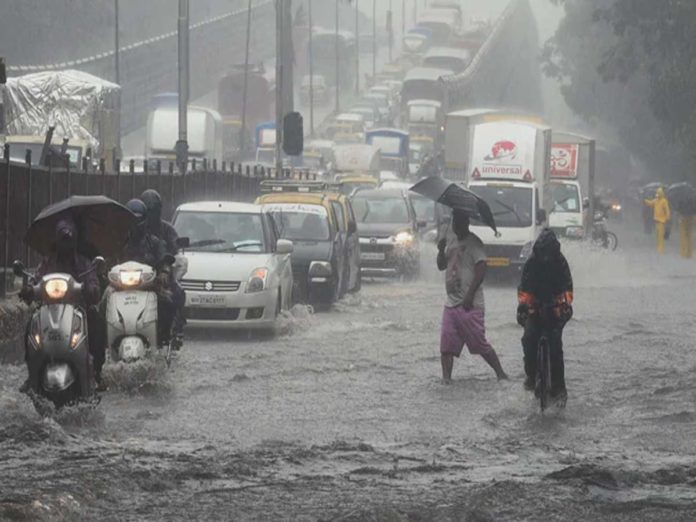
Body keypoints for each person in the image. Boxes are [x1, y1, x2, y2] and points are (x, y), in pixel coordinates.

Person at [19, 217, 107, 390]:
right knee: (31, 326)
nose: (66, 243)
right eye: (62, 238)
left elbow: (93, 283)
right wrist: (29, 290)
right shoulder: (47, 262)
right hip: (49, 310)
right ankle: (32, 375)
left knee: (97, 323)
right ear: (57, 240)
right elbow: (36, 279)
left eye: (69, 238)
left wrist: (91, 290)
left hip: (78, 311)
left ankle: (97, 373)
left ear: (74, 240)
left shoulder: (84, 262)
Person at [437, 209, 508, 383]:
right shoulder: (451, 241)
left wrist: (469, 295)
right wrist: (440, 250)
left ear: (467, 223)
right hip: (451, 303)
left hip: (470, 304)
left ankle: (500, 374)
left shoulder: (475, 243)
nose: (457, 225)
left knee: (479, 344)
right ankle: (446, 380)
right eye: (455, 222)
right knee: (446, 347)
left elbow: (481, 268)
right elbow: (441, 266)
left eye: (460, 222)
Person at [517, 229, 573, 402]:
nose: (547, 257)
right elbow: (524, 291)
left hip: (555, 308)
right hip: (535, 308)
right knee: (528, 338)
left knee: (555, 345)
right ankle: (532, 376)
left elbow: (568, 290)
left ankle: (558, 387)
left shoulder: (561, 263)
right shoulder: (531, 263)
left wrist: (561, 306)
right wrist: (527, 307)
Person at [120, 199, 176, 347]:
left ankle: (163, 337)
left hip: (150, 286)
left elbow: (164, 259)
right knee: (103, 302)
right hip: (120, 288)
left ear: (145, 220)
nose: (136, 223)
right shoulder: (118, 242)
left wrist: (164, 272)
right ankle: (102, 342)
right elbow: (108, 259)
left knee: (167, 302)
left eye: (139, 219)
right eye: (132, 219)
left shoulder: (155, 242)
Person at [140, 189, 185, 347]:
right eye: (148, 210)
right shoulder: (133, 230)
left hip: (159, 276)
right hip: (134, 278)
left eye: (154, 210)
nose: (151, 214)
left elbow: (172, 248)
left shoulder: (166, 230)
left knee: (174, 295)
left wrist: (165, 268)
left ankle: (170, 331)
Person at [644, 187, 671, 254]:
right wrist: (645, 201)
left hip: (662, 221)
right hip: (656, 221)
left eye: (659, 193)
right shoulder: (655, 200)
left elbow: (667, 210)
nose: (657, 195)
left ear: (661, 194)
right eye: (657, 193)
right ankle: (659, 248)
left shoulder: (664, 201)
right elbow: (650, 203)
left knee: (660, 235)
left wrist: (668, 217)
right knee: (658, 235)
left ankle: (661, 249)